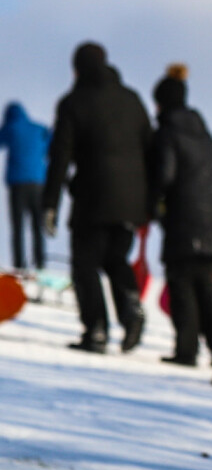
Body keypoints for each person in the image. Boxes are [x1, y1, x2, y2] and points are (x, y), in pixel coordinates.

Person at [42, 42, 151, 353]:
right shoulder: (132, 99)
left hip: (92, 196)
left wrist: (50, 203)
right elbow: (150, 147)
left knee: (85, 264)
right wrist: (150, 199)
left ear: (77, 69)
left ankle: (96, 330)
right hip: (132, 199)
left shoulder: (73, 102)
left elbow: (60, 156)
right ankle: (131, 309)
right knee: (116, 258)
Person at [146, 64, 212, 367]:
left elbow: (165, 174)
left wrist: (154, 202)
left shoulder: (169, 132)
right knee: (205, 287)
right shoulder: (205, 135)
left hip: (183, 219)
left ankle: (186, 349)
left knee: (181, 286)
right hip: (211, 223)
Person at [0, 102, 50, 271]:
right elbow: (50, 146)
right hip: (38, 183)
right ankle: (40, 262)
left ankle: (19, 265)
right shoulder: (39, 129)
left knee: (18, 226)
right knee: (38, 225)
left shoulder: (11, 128)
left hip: (18, 185)